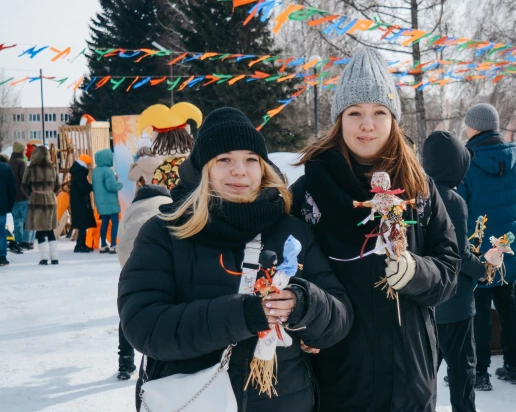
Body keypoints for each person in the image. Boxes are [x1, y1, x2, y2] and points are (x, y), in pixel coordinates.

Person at [118, 107, 353, 411]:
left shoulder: (292, 231)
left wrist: (305, 304)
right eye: (224, 159)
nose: (239, 170)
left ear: (264, 168)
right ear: (204, 168)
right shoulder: (165, 233)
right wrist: (243, 315)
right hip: (194, 401)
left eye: (251, 160)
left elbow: (340, 319)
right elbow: (144, 326)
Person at [291, 47, 460, 411]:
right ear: (339, 120)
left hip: (411, 376)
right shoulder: (308, 193)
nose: (367, 124)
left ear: (394, 119)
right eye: (355, 113)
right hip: (340, 375)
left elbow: (449, 269)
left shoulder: (419, 187)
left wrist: (417, 271)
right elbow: (290, 272)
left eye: (379, 112)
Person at [458, 103, 516, 389]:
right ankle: (513, 366)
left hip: (478, 247)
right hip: (507, 245)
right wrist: (506, 226)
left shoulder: (466, 161)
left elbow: (459, 207)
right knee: (508, 306)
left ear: (474, 126)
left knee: (478, 309)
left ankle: (480, 373)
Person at [423, 131, 486, 412]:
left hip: (427, 298)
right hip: (456, 300)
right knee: (462, 368)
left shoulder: (420, 192)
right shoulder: (452, 200)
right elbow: (457, 252)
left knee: (426, 370)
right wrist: (482, 269)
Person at [115, 183, 172, 380]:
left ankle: (125, 363)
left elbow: (120, 238)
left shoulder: (132, 208)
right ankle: (163, 360)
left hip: (130, 253)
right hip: (163, 251)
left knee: (131, 306)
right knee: (166, 304)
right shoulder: (170, 202)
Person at [134, 102, 202, 189]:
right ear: (186, 133)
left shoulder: (161, 169)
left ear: (157, 139)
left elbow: (159, 195)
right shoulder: (195, 164)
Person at [21, 146, 61, 265]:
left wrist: (31, 194)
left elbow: (24, 185)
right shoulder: (52, 167)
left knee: (40, 230)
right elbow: (57, 185)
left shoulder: (31, 168)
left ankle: (44, 258)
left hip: (36, 200)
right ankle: (55, 257)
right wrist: (50, 192)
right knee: (50, 230)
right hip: (50, 200)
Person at [92, 149, 123, 254]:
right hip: (110, 202)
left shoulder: (95, 171)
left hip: (100, 202)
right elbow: (111, 187)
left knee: (104, 223)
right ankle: (114, 245)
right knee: (115, 222)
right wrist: (120, 184)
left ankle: (103, 244)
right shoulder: (108, 171)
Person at [9, 141, 35, 252]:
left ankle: (18, 241)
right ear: (20, 151)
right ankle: (27, 241)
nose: (25, 151)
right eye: (24, 149)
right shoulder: (22, 163)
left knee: (17, 221)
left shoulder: (8, 163)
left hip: (12, 197)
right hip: (24, 196)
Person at [69, 154, 97, 253]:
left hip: (78, 201)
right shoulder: (80, 174)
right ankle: (80, 244)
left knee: (82, 223)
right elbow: (82, 189)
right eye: (89, 164)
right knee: (82, 223)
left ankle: (81, 243)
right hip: (81, 201)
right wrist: (91, 187)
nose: (90, 166)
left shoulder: (78, 172)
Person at [0, 154, 16, 266]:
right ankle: (2, 256)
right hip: (1, 205)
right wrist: (10, 205)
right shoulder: (6, 168)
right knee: (1, 231)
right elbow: (12, 189)